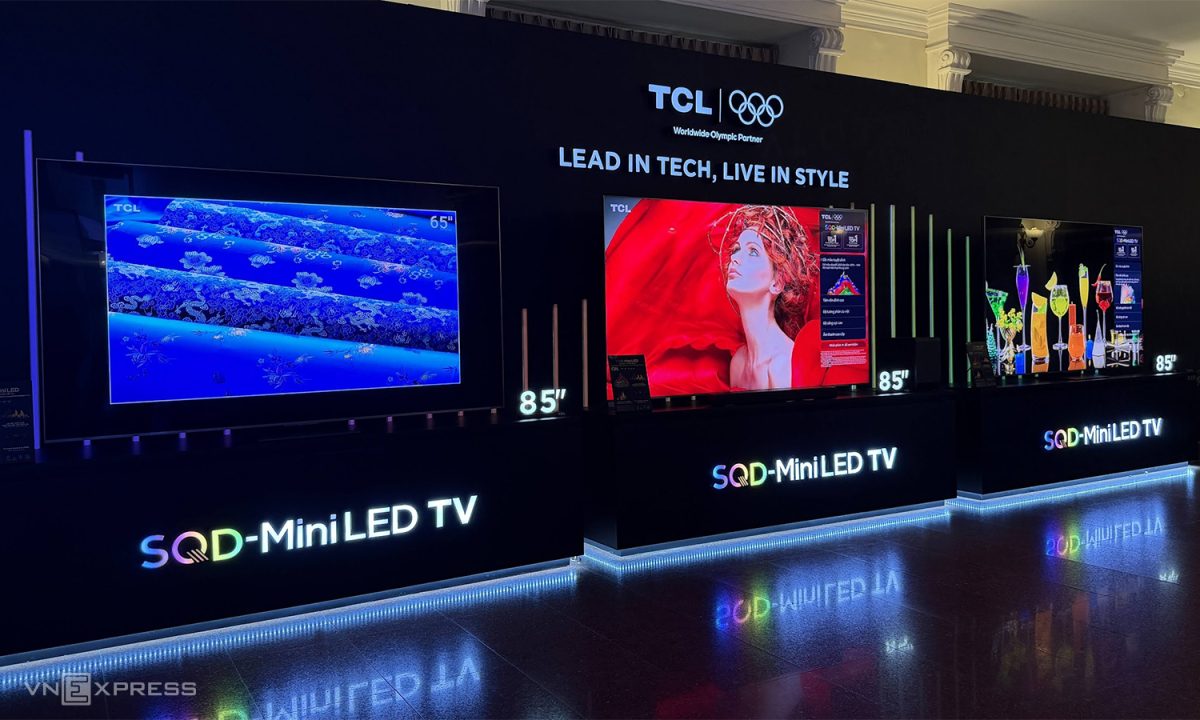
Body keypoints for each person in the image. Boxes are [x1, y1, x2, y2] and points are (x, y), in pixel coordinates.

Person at [713, 205, 817, 390]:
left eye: (753, 251)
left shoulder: (782, 366)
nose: (735, 258)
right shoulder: (739, 363)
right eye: (736, 249)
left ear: (777, 282)